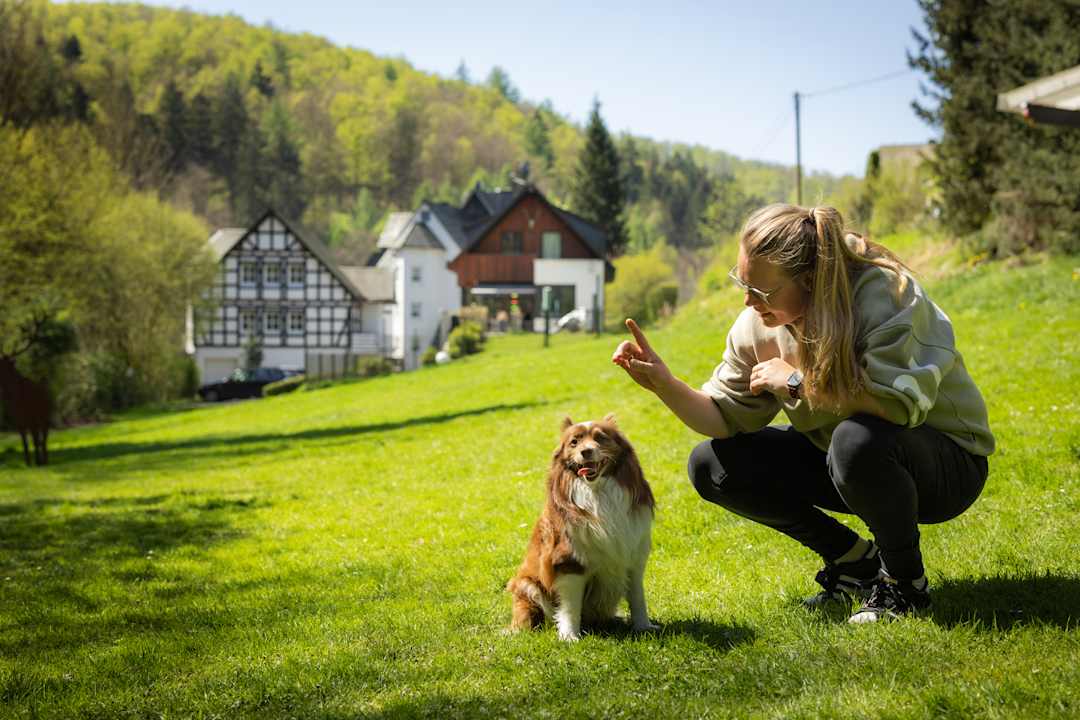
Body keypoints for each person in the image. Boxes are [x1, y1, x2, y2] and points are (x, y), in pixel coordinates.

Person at [611, 204, 993, 623]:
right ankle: (853, 562)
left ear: (809, 279)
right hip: (849, 461)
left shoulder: (885, 292)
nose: (747, 300)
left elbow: (895, 405)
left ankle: (904, 585)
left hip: (946, 466)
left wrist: (796, 383)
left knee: (855, 440)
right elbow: (721, 416)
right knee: (712, 465)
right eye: (742, 282)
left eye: (761, 291)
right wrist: (664, 384)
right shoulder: (758, 324)